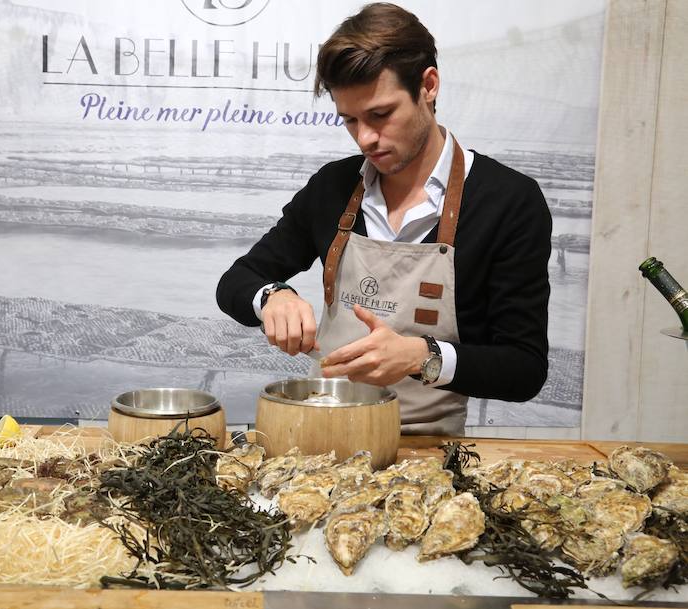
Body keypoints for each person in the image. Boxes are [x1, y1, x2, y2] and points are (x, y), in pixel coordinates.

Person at [216, 2, 551, 435]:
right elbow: (237, 280)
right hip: (325, 436)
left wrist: (421, 357)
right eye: (350, 120)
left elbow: (524, 369)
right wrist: (272, 297)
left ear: (428, 85)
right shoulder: (333, 188)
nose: (366, 138)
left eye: (380, 114)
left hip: (429, 454)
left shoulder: (508, 201)